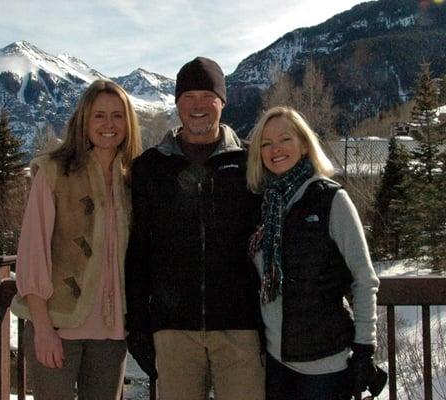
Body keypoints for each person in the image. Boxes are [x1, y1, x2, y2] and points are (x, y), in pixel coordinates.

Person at [124, 56, 265, 400]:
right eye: (188, 97)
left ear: (223, 102)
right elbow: (138, 249)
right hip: (174, 332)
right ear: (177, 103)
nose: (198, 105)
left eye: (208, 96)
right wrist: (138, 324)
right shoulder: (150, 168)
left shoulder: (251, 162)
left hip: (241, 329)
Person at [10, 79, 142, 400]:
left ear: (128, 123)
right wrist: (42, 327)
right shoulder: (54, 172)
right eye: (99, 115)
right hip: (57, 325)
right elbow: (32, 252)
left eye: (117, 115)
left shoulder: (134, 179)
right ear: (84, 119)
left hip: (111, 333)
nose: (108, 125)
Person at [246, 106, 381, 400]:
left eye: (285, 140)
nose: (275, 149)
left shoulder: (331, 200)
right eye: (266, 144)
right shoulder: (265, 205)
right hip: (275, 362)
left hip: (325, 365)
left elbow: (364, 278)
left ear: (305, 144)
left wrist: (364, 349)